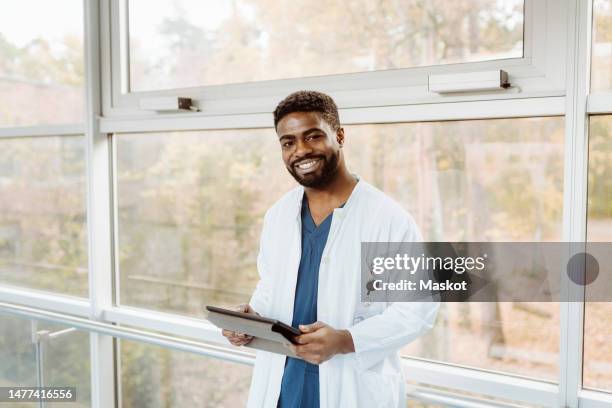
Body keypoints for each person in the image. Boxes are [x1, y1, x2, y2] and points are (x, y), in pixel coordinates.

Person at [222, 90, 439, 407]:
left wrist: (345, 340)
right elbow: (270, 290)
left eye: (313, 136)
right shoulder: (278, 216)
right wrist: (249, 321)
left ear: (339, 135)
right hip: (283, 386)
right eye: (289, 142)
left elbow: (417, 310)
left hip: (351, 388)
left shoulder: (388, 219)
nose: (301, 150)